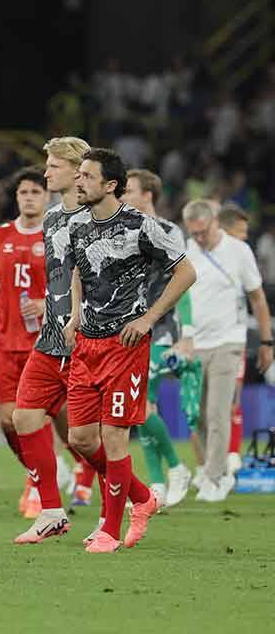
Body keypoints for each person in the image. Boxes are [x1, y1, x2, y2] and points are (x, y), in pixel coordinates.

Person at [65, 148, 195, 553]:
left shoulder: (142, 227)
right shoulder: (78, 226)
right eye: (79, 174)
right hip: (87, 343)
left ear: (110, 185)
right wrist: (73, 315)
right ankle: (142, 497)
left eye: (87, 176)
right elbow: (78, 271)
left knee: (114, 436)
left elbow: (187, 271)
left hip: (126, 344)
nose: (78, 181)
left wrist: (149, 318)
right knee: (81, 439)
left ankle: (109, 528)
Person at [11, 136, 91, 544]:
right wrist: (50, 307)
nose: (45, 173)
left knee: (88, 440)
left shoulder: (102, 218)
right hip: (51, 338)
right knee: (23, 417)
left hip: (91, 340)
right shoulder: (54, 219)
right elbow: (60, 277)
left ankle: (139, 497)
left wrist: (82, 314)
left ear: (78, 171)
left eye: (53, 166)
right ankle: (51, 511)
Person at [0, 167, 48, 518]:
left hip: (45, 344)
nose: (29, 197)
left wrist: (47, 304)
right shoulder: (0, 236)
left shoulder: (56, 237)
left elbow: (73, 288)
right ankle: (38, 471)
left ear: (47, 197)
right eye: (23, 192)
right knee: (7, 422)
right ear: (16, 198)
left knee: (42, 419)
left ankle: (40, 485)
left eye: (35, 191)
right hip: (6, 342)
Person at [182, 199, 272, 502]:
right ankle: (212, 469)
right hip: (196, 344)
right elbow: (182, 298)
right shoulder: (189, 249)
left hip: (228, 341)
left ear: (214, 222)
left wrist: (266, 341)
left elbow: (257, 299)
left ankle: (213, 478)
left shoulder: (238, 251)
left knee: (218, 411)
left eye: (202, 232)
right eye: (193, 233)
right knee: (197, 416)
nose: (199, 238)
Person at [121, 169, 197, 507]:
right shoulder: (121, 231)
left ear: (147, 194)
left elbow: (184, 282)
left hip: (161, 326)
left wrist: (189, 334)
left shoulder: (167, 231)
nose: (122, 195)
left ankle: (178, 468)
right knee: (140, 406)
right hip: (128, 326)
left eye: (129, 190)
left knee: (142, 406)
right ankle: (157, 482)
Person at [216, 202, 249, 472]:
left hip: (234, 339)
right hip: (205, 342)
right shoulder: (203, 258)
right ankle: (209, 463)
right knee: (203, 411)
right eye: (240, 232)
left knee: (232, 400)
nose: (245, 237)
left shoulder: (242, 258)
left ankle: (232, 455)